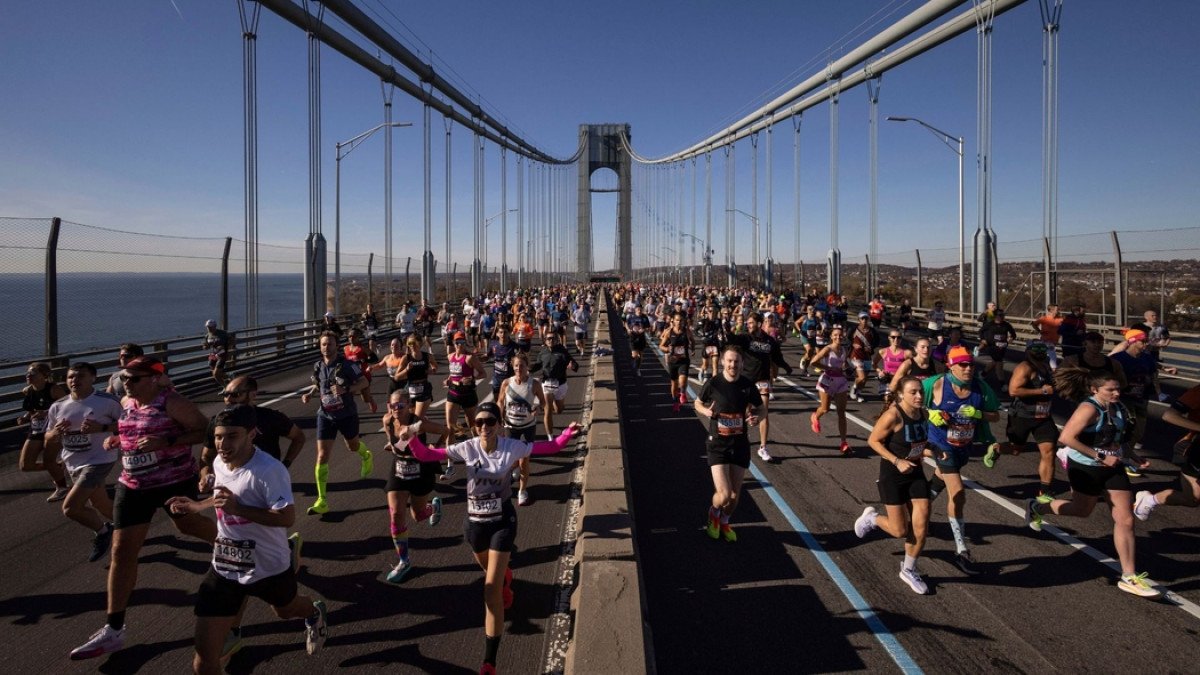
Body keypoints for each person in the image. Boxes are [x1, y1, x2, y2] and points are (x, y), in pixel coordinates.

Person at [403, 403, 583, 675]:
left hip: (502, 522)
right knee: (491, 573)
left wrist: (566, 434)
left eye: (489, 422)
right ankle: (505, 580)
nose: (484, 427)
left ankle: (490, 662)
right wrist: (409, 438)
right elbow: (428, 455)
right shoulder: (469, 447)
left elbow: (550, 448)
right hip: (474, 524)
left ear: (499, 424)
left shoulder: (511, 446)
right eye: (479, 422)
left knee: (490, 591)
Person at [70, 356, 217, 660]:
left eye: (134, 378)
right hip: (133, 484)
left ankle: (242, 543)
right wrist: (116, 440)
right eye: (124, 377)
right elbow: (131, 432)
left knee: (187, 525)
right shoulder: (127, 401)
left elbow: (204, 431)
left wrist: (166, 440)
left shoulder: (172, 402)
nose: (127, 383)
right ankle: (113, 629)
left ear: (153, 379)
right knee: (122, 550)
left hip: (173, 481)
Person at [165, 405, 328, 673]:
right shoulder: (219, 461)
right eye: (218, 436)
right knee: (205, 658)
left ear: (252, 434)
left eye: (231, 436)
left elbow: (286, 518)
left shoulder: (268, 471)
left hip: (268, 566)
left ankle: (313, 611)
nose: (222, 444)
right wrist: (195, 506)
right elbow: (224, 498)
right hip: (226, 565)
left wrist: (238, 509)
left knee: (286, 611)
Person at [1025, 368, 1160, 599]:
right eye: (1110, 390)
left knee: (1125, 519)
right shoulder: (1088, 409)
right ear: (1094, 389)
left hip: (1113, 468)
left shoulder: (1118, 407)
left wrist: (1132, 456)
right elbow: (1066, 438)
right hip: (1086, 467)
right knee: (1082, 510)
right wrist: (1099, 456)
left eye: (1118, 388)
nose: (1116, 393)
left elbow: (1118, 439)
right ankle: (1037, 507)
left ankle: (1129, 576)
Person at [923, 346, 1000, 576]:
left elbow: (995, 414)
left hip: (963, 447)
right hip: (940, 444)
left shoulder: (980, 387)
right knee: (958, 492)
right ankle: (961, 549)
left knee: (938, 482)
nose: (968, 369)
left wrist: (978, 415)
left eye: (970, 364)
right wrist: (930, 413)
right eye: (963, 365)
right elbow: (907, 400)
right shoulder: (935, 384)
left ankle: (917, 508)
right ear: (951, 366)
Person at [853, 377, 932, 595]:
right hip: (893, 475)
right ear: (900, 394)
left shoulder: (922, 414)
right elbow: (873, 441)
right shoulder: (893, 415)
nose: (918, 396)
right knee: (899, 530)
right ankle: (872, 519)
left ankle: (908, 569)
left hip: (915, 473)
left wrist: (931, 450)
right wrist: (897, 461)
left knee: (922, 522)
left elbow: (917, 443)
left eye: (920, 392)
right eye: (913, 392)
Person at [44, 362, 122, 562]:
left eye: (80, 376)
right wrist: (56, 432)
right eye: (70, 377)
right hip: (72, 461)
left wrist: (102, 428)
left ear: (93, 378)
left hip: (100, 459)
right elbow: (48, 437)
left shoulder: (107, 401)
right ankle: (129, 527)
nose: (74, 380)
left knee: (71, 508)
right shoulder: (58, 406)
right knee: (100, 503)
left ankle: (103, 532)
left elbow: (129, 425)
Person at [694, 346, 764, 543]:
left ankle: (724, 521)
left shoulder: (748, 385)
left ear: (742, 363)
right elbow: (697, 402)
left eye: (737, 361)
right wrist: (706, 411)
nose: (733, 364)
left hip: (740, 444)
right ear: (723, 361)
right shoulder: (714, 383)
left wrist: (756, 418)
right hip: (717, 444)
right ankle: (713, 514)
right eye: (730, 361)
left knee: (734, 497)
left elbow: (761, 409)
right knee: (724, 495)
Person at [300, 331, 371, 516]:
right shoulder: (317, 365)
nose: (326, 347)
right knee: (322, 456)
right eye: (323, 344)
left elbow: (363, 382)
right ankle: (322, 500)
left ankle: (366, 455)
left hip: (346, 414)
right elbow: (318, 384)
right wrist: (310, 394)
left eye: (330, 344)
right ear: (320, 346)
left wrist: (346, 389)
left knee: (353, 446)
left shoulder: (348, 365)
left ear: (336, 346)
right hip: (325, 415)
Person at [379, 388, 447, 583]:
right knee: (396, 514)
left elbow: (446, 430)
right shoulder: (388, 420)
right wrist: (391, 445)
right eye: (393, 406)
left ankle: (433, 507)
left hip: (420, 470)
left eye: (400, 406)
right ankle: (404, 561)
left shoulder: (420, 424)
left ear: (409, 405)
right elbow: (390, 438)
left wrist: (436, 448)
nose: (396, 409)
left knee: (417, 515)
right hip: (399, 469)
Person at [983, 342, 1060, 502]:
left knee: (1049, 452)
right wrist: (1042, 391)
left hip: (1043, 417)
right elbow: (1013, 390)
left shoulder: (1046, 367)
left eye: (1042, 350)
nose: (1040, 353)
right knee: (1016, 449)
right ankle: (997, 449)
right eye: (1036, 350)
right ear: (1028, 352)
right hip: (1022, 415)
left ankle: (1045, 491)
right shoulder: (1024, 368)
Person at [726, 312, 792, 462]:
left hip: (763, 380)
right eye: (747, 323)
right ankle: (737, 440)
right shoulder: (745, 338)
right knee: (742, 412)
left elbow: (777, 357)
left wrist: (786, 367)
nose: (748, 326)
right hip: (747, 380)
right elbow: (733, 340)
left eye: (751, 323)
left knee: (764, 412)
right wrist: (728, 329)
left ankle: (763, 447)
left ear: (759, 323)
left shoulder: (770, 341)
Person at [1133, 383, 1200, 520]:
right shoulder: (1198, 392)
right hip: (1195, 449)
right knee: (1192, 499)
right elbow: (1169, 415)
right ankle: (1150, 500)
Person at [498, 352, 547, 506]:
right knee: (511, 459)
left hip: (528, 427)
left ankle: (522, 490)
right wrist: (499, 419)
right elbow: (500, 401)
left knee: (524, 460)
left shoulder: (534, 384)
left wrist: (537, 408)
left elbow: (544, 403)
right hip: (510, 426)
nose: (519, 368)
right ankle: (515, 470)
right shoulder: (506, 383)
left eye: (522, 365)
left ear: (527, 367)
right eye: (516, 365)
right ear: (513, 367)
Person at [18, 361, 69, 501]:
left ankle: (62, 488)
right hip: (36, 429)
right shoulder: (28, 390)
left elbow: (68, 408)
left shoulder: (54, 390)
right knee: (25, 465)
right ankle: (58, 467)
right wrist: (25, 417)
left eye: (33, 372)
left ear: (44, 375)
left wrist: (46, 413)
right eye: (28, 372)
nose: (29, 375)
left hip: (53, 429)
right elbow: (32, 410)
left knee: (48, 460)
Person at [810, 325, 853, 454]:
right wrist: (828, 368)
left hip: (841, 382)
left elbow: (844, 363)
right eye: (835, 335)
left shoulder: (845, 349)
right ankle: (815, 416)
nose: (838, 337)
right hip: (827, 381)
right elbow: (813, 362)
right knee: (825, 409)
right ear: (831, 336)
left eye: (840, 335)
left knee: (842, 413)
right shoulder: (827, 349)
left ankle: (843, 443)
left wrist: (849, 369)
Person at [533, 332, 579, 439]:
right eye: (548, 338)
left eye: (553, 338)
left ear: (557, 340)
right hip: (547, 383)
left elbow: (575, 365)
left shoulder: (562, 351)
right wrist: (528, 368)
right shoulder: (542, 353)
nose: (551, 340)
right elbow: (537, 366)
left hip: (560, 383)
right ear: (545, 340)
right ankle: (550, 437)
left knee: (559, 410)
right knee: (547, 409)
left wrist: (573, 366)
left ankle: (555, 401)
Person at [660, 312, 693, 412]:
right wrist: (667, 350)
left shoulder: (686, 331)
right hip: (673, 361)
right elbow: (661, 346)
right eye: (677, 320)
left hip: (684, 360)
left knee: (682, 381)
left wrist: (693, 348)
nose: (679, 322)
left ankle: (682, 393)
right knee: (674, 384)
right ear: (673, 321)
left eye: (681, 320)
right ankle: (675, 402)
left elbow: (692, 341)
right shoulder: (669, 332)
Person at [977, 309, 1017, 384]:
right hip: (991, 346)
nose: (1002, 317)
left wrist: (1010, 339)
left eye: (1003, 315)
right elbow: (980, 331)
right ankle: (1002, 384)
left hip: (1002, 347)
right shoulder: (990, 324)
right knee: (999, 363)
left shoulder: (1006, 324)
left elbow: (1013, 334)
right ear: (995, 316)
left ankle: (983, 374)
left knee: (995, 361)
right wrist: (983, 339)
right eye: (1000, 315)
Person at [343, 329, 378, 414]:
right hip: (351, 376)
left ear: (358, 337)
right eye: (350, 336)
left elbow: (374, 358)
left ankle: (371, 400)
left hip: (363, 376)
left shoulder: (362, 348)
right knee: (348, 394)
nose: (351, 338)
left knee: (365, 399)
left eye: (354, 336)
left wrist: (364, 360)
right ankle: (349, 411)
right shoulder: (345, 348)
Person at [872, 329, 910, 398]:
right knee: (888, 400)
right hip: (887, 380)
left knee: (898, 403)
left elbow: (912, 366)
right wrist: (879, 372)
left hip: (900, 381)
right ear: (889, 338)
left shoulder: (906, 353)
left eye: (899, 337)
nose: (896, 339)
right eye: (893, 337)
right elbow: (874, 363)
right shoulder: (883, 351)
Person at [849, 312, 877, 402]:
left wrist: (871, 347)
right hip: (856, 355)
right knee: (862, 377)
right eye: (862, 319)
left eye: (866, 319)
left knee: (865, 379)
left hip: (867, 356)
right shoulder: (854, 329)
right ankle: (854, 389)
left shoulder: (872, 331)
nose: (864, 320)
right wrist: (853, 344)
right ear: (859, 320)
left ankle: (858, 392)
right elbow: (847, 338)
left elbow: (877, 341)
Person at [488, 325, 519, 401]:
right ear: (497, 334)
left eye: (505, 332)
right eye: (500, 332)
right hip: (497, 377)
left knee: (510, 400)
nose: (503, 334)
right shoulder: (493, 344)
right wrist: (479, 358)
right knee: (498, 400)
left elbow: (520, 360)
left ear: (509, 333)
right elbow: (488, 356)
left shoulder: (514, 346)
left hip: (510, 377)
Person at [203, 319, 235, 389]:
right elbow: (204, 346)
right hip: (212, 355)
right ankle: (229, 376)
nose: (209, 328)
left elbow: (232, 340)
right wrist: (206, 347)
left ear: (215, 326)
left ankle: (226, 387)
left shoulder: (222, 333)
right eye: (208, 327)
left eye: (210, 327)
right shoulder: (207, 335)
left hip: (222, 355)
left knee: (216, 374)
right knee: (215, 375)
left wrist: (225, 346)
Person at [1031, 304, 1064, 370]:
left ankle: (1047, 371)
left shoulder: (1061, 319)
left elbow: (1066, 328)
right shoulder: (1044, 318)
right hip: (1044, 341)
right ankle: (1054, 373)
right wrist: (1039, 331)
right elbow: (1033, 324)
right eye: (1057, 309)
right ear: (1051, 310)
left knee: (1048, 357)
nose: (1059, 311)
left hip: (1053, 342)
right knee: (1052, 358)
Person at [626, 305, 651, 377]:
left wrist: (644, 330)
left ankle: (638, 369)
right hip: (633, 337)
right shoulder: (631, 316)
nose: (639, 311)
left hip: (641, 338)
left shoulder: (644, 317)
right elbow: (626, 324)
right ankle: (634, 363)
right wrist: (628, 329)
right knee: (634, 355)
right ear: (635, 310)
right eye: (638, 309)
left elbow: (648, 327)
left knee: (641, 356)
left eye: (640, 309)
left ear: (642, 310)